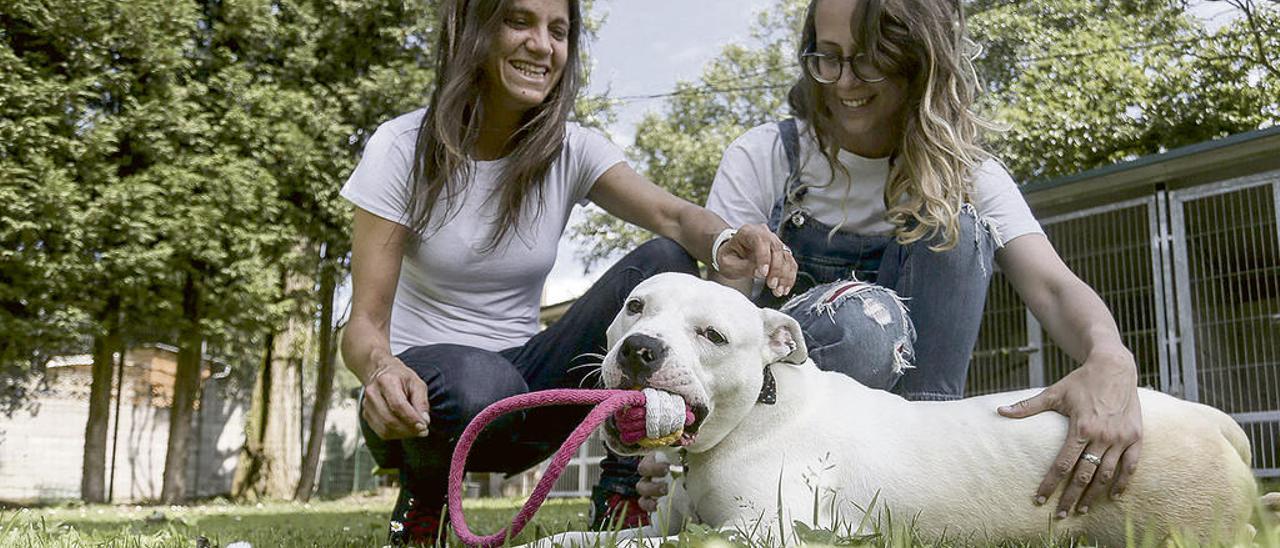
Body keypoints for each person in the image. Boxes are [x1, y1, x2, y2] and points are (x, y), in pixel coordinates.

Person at [636, 0, 1143, 524]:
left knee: (959, 226)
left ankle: (918, 493)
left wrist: (1110, 360)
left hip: (913, 450)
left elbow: (1055, 288)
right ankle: (799, 499)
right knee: (865, 323)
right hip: (779, 443)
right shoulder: (767, 155)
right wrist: (668, 429)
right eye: (828, 58)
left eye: (869, 60)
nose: (844, 82)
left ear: (919, 61)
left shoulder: (968, 172)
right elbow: (715, 320)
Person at [339, 0, 797, 544]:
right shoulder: (401, 148)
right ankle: (425, 499)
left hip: (524, 392)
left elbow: (672, 215)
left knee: (664, 262)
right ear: (472, 30)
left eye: (558, 31)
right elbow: (363, 323)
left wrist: (725, 240)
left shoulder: (570, 149)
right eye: (518, 22)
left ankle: (622, 494)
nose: (542, 44)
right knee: (478, 381)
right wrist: (379, 371)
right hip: (423, 400)